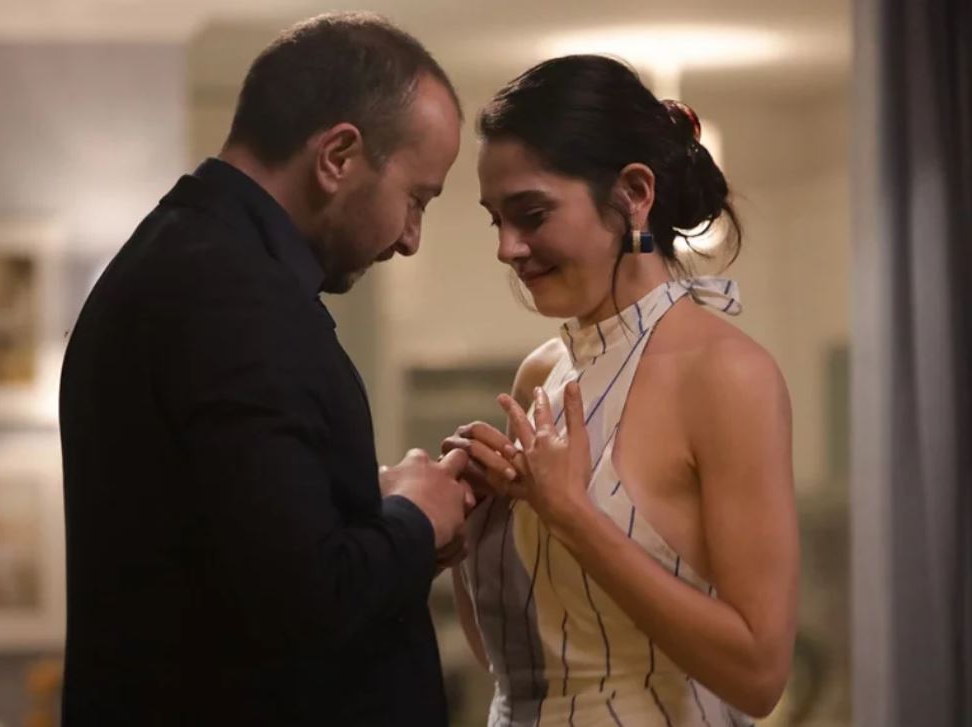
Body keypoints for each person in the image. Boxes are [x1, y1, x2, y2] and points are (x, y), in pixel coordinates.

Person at [59, 12, 473, 726]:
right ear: (337, 156)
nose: (410, 238)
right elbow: (304, 601)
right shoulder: (235, 297)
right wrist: (416, 517)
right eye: (416, 199)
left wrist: (370, 516)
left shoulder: (177, 260)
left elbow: (230, 558)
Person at [442, 55, 798, 726]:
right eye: (496, 220)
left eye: (531, 213)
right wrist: (462, 523)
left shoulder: (726, 374)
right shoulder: (540, 373)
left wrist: (572, 516)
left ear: (634, 193)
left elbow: (758, 676)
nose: (507, 249)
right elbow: (516, 661)